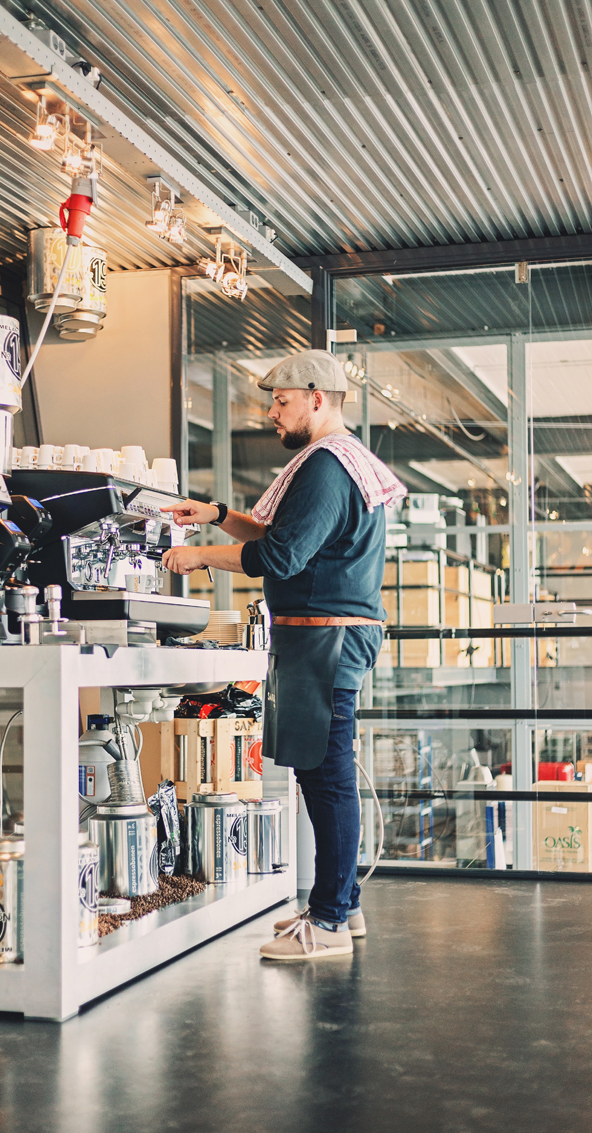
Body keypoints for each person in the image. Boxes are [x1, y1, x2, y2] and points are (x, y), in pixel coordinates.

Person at [162, 349, 406, 961]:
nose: (272, 412)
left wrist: (198, 557)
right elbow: (279, 537)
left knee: (326, 780)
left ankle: (325, 924)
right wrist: (218, 517)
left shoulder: (326, 467)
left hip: (325, 638)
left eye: (282, 400)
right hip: (321, 636)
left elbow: (279, 560)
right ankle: (342, 909)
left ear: (317, 398)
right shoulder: (335, 462)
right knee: (320, 774)